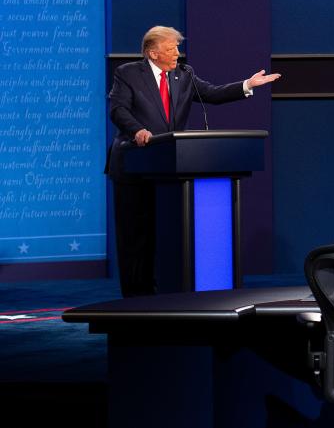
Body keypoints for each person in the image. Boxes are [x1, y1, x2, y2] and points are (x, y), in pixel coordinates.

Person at [107, 25, 280, 297]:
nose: (177, 52)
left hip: (170, 170)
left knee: (166, 237)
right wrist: (137, 130)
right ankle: (135, 300)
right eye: (171, 48)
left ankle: (168, 295)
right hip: (134, 167)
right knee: (136, 238)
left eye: (177, 47)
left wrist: (247, 85)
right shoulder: (128, 73)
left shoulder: (183, 75)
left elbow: (211, 93)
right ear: (153, 53)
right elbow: (118, 109)